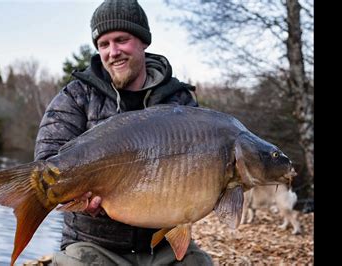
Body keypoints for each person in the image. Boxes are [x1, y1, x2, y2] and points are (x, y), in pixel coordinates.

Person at [33, 0, 213, 265]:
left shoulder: (179, 101)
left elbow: (202, 164)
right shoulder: (76, 96)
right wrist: (78, 195)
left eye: (121, 40)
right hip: (93, 243)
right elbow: (48, 159)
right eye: (103, 44)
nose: (113, 51)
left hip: (160, 243)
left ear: (143, 41)